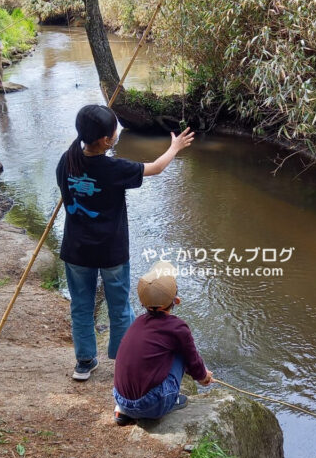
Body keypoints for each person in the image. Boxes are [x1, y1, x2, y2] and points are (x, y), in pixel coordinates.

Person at [56, 104, 194, 381]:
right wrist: (175, 147)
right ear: (106, 140)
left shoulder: (67, 160)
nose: (118, 132)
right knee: (119, 308)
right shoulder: (113, 168)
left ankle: (84, 362)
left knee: (80, 306)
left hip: (77, 250)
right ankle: (123, 360)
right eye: (114, 129)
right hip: (111, 252)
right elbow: (154, 168)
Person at [112, 261, 213, 425]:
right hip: (151, 405)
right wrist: (203, 376)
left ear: (142, 303)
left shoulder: (137, 322)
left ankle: (123, 412)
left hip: (120, 397)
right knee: (181, 351)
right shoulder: (178, 328)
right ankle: (170, 401)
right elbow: (193, 361)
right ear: (176, 300)